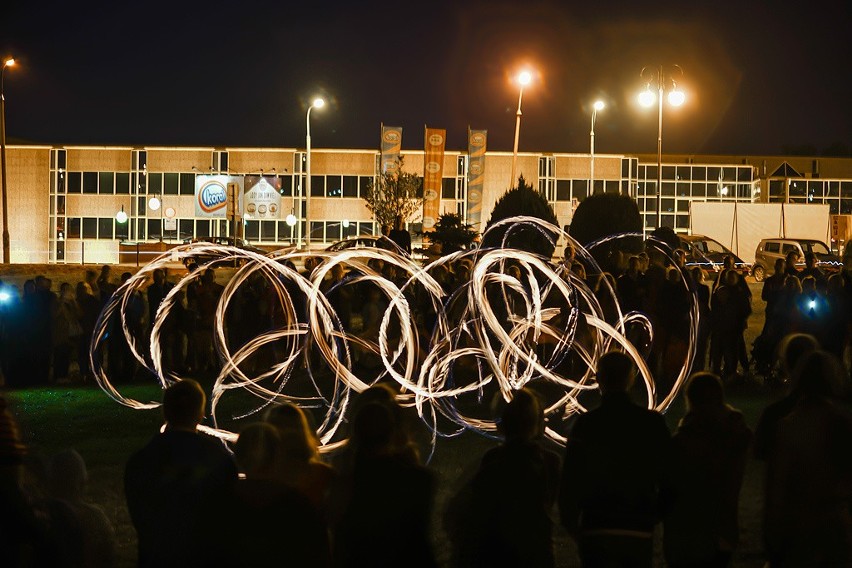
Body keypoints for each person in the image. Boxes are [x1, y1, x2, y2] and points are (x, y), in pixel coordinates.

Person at [560, 351, 671, 567]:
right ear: (631, 377)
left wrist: (573, 525)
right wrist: (654, 515)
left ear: (598, 379)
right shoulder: (651, 424)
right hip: (637, 528)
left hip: (596, 528)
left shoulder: (586, 425)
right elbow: (670, 476)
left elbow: (570, 481)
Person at [124, 379, 238, 567]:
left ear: (165, 413)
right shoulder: (219, 460)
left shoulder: (140, 461)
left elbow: (140, 515)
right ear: (201, 415)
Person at [447, 388, 561, 567]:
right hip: (536, 553)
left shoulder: (491, 460)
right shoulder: (549, 462)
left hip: (497, 553)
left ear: (501, 426)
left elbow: (463, 508)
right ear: (537, 425)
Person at [764, 350, 852, 565]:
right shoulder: (840, 422)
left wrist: (772, 529)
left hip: (798, 520)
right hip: (830, 521)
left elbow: (778, 482)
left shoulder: (787, 424)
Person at [663, 373, 752, 567]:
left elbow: (669, 488)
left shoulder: (683, 442)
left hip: (686, 535)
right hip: (722, 531)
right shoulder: (735, 434)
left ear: (690, 400)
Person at [215, 423, 330, 567]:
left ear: (237, 456)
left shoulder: (218, 503)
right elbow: (318, 555)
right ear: (278, 457)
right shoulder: (298, 505)